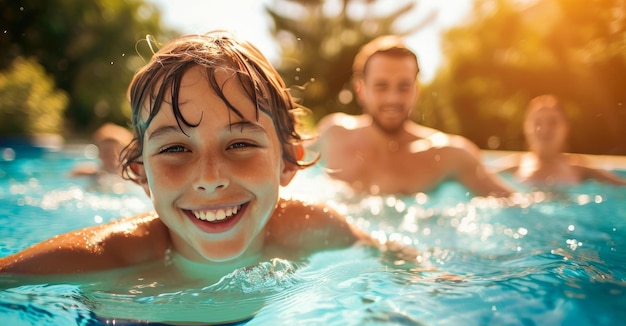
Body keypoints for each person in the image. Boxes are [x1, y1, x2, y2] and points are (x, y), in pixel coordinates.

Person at [0, 31, 414, 279]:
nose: (210, 176)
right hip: (128, 324)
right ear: (140, 173)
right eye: (176, 148)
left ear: (288, 161)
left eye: (240, 144)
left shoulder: (313, 228)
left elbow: (394, 259)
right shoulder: (112, 256)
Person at [315, 35, 513, 197]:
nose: (393, 98)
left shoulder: (449, 154)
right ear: (361, 90)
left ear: (415, 92)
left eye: (404, 86)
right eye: (381, 86)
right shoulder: (333, 135)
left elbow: (517, 205)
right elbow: (289, 158)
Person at [495, 94, 626, 186]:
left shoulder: (580, 168)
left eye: (553, 122)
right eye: (537, 122)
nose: (545, 129)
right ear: (526, 128)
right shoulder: (514, 166)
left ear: (566, 127)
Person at [70, 122, 137, 193]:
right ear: (99, 154)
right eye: (105, 152)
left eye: (115, 152)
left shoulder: (131, 176)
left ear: (127, 154)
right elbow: (72, 175)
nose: (111, 156)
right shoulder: (92, 173)